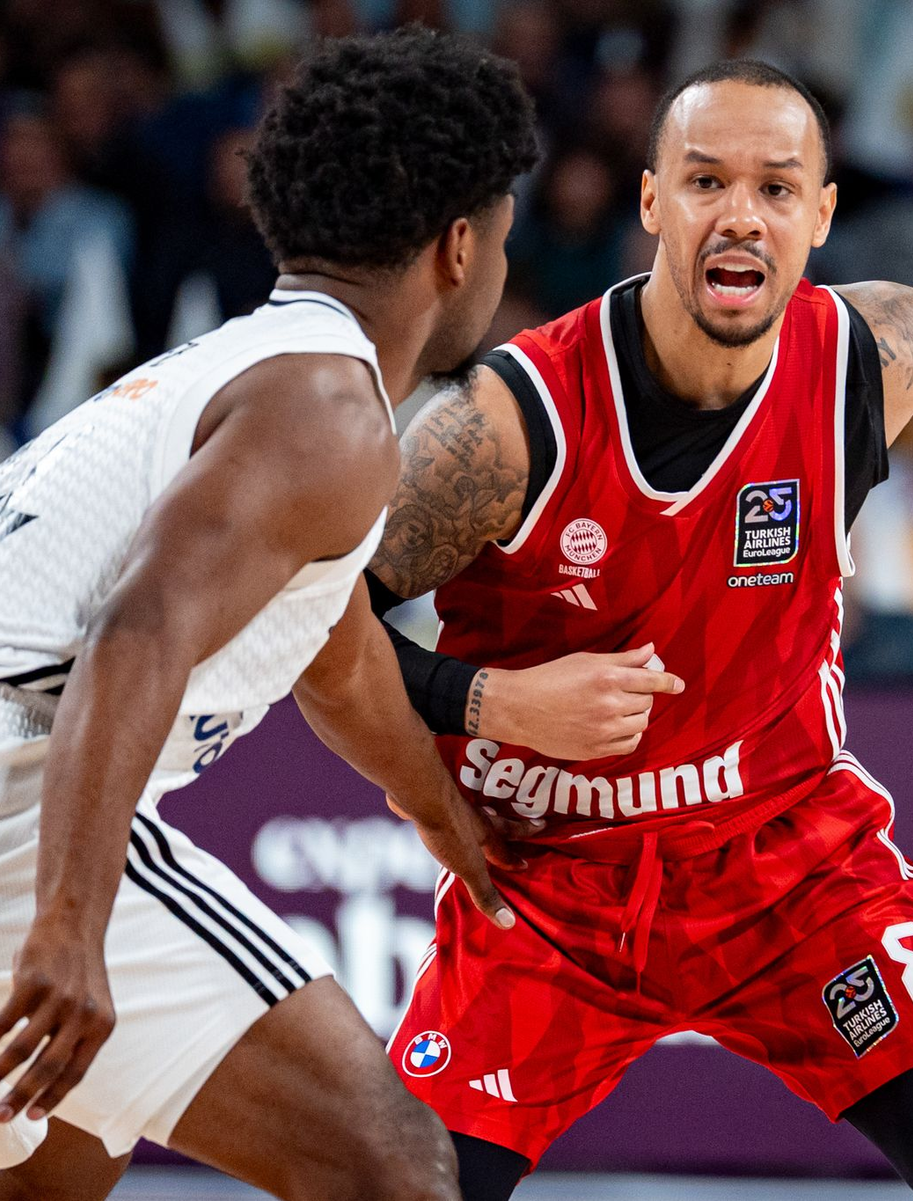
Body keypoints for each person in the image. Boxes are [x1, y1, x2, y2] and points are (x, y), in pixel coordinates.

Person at [366, 59, 913, 1201]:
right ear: (652, 200)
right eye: (706, 180)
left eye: (776, 186)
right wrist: (487, 702)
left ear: (821, 213)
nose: (741, 214)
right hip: (551, 888)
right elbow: (312, 621)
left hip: (791, 874)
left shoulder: (864, 354)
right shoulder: (506, 423)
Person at [0, 27, 537, 1201]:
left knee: (66, 1161)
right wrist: (71, 924)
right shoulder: (328, 414)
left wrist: (445, 816)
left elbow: (337, 657)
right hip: (20, 807)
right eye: (503, 234)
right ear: (460, 247)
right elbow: (137, 634)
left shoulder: (256, 375)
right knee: (396, 1171)